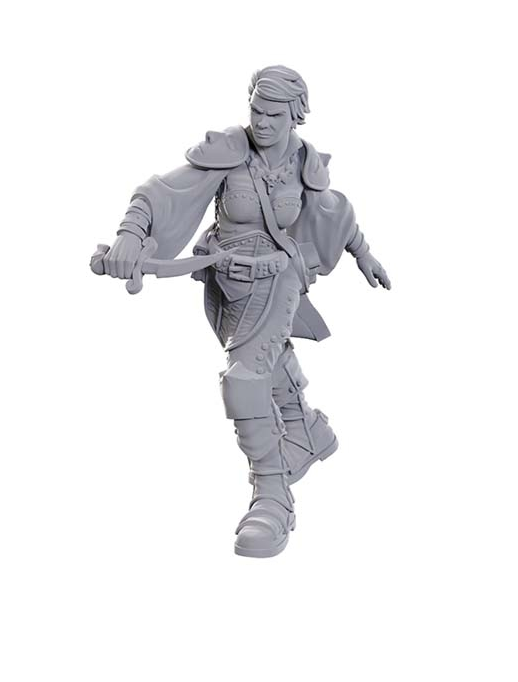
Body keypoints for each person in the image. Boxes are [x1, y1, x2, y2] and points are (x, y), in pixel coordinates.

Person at [98, 65, 390, 557]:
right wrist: (130, 234)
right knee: (264, 363)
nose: (262, 122)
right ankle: (307, 429)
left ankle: (272, 496)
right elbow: (159, 194)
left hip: (278, 281)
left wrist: (364, 254)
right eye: (257, 110)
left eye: (274, 114)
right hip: (225, 285)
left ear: (295, 115)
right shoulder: (229, 151)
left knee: (244, 379)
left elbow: (333, 213)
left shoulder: (304, 164)